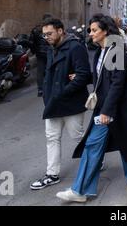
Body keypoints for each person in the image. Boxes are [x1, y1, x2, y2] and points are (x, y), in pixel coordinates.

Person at [55, 14, 127, 203]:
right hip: (108, 106)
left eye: (94, 30)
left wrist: (106, 112)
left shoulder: (117, 50)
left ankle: (80, 190)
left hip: (113, 108)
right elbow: (102, 77)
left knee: (103, 143)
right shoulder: (101, 51)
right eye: (90, 30)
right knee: (124, 141)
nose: (91, 33)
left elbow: (117, 84)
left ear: (105, 31)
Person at [30, 18, 92, 190]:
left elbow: (83, 75)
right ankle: (52, 174)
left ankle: (95, 160)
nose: (47, 37)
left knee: (77, 137)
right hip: (53, 102)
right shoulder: (51, 48)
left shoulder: (76, 48)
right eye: (44, 35)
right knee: (52, 137)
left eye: (49, 33)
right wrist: (47, 95)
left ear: (60, 31)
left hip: (71, 102)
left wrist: (62, 92)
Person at [30, 13, 53, 97]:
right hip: (49, 52)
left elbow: (32, 42)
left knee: (40, 71)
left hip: (40, 53)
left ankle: (41, 89)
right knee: (49, 69)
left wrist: (35, 51)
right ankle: (48, 88)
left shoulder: (36, 29)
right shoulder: (51, 29)